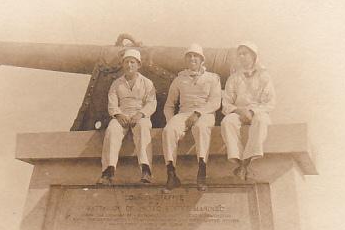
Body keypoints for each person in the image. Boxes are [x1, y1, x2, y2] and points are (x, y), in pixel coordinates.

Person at [162, 43, 222, 192]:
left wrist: (198, 113)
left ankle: (202, 173)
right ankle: (171, 174)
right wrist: (173, 123)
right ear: (185, 60)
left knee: (201, 128)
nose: (192, 59)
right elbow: (169, 104)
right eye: (189, 56)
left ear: (202, 60)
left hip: (205, 113)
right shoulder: (179, 79)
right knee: (168, 131)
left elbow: (215, 102)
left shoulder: (212, 78)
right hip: (184, 113)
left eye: (196, 56)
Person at [97, 49, 157, 185]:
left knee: (143, 129)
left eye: (132, 62)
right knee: (112, 130)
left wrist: (140, 114)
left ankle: (146, 171)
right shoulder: (116, 83)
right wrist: (118, 115)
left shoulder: (147, 83)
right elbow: (112, 103)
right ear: (122, 65)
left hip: (140, 115)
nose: (129, 65)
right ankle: (108, 171)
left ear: (138, 65)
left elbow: (151, 103)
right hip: (122, 114)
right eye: (126, 62)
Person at [220, 41, 276, 180]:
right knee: (227, 122)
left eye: (245, 54)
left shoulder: (264, 76)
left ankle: (248, 162)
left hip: (259, 112)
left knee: (261, 121)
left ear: (253, 56)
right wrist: (239, 111)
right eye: (239, 54)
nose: (242, 57)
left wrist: (252, 112)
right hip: (238, 112)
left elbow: (270, 103)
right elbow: (226, 103)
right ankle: (238, 161)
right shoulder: (234, 78)